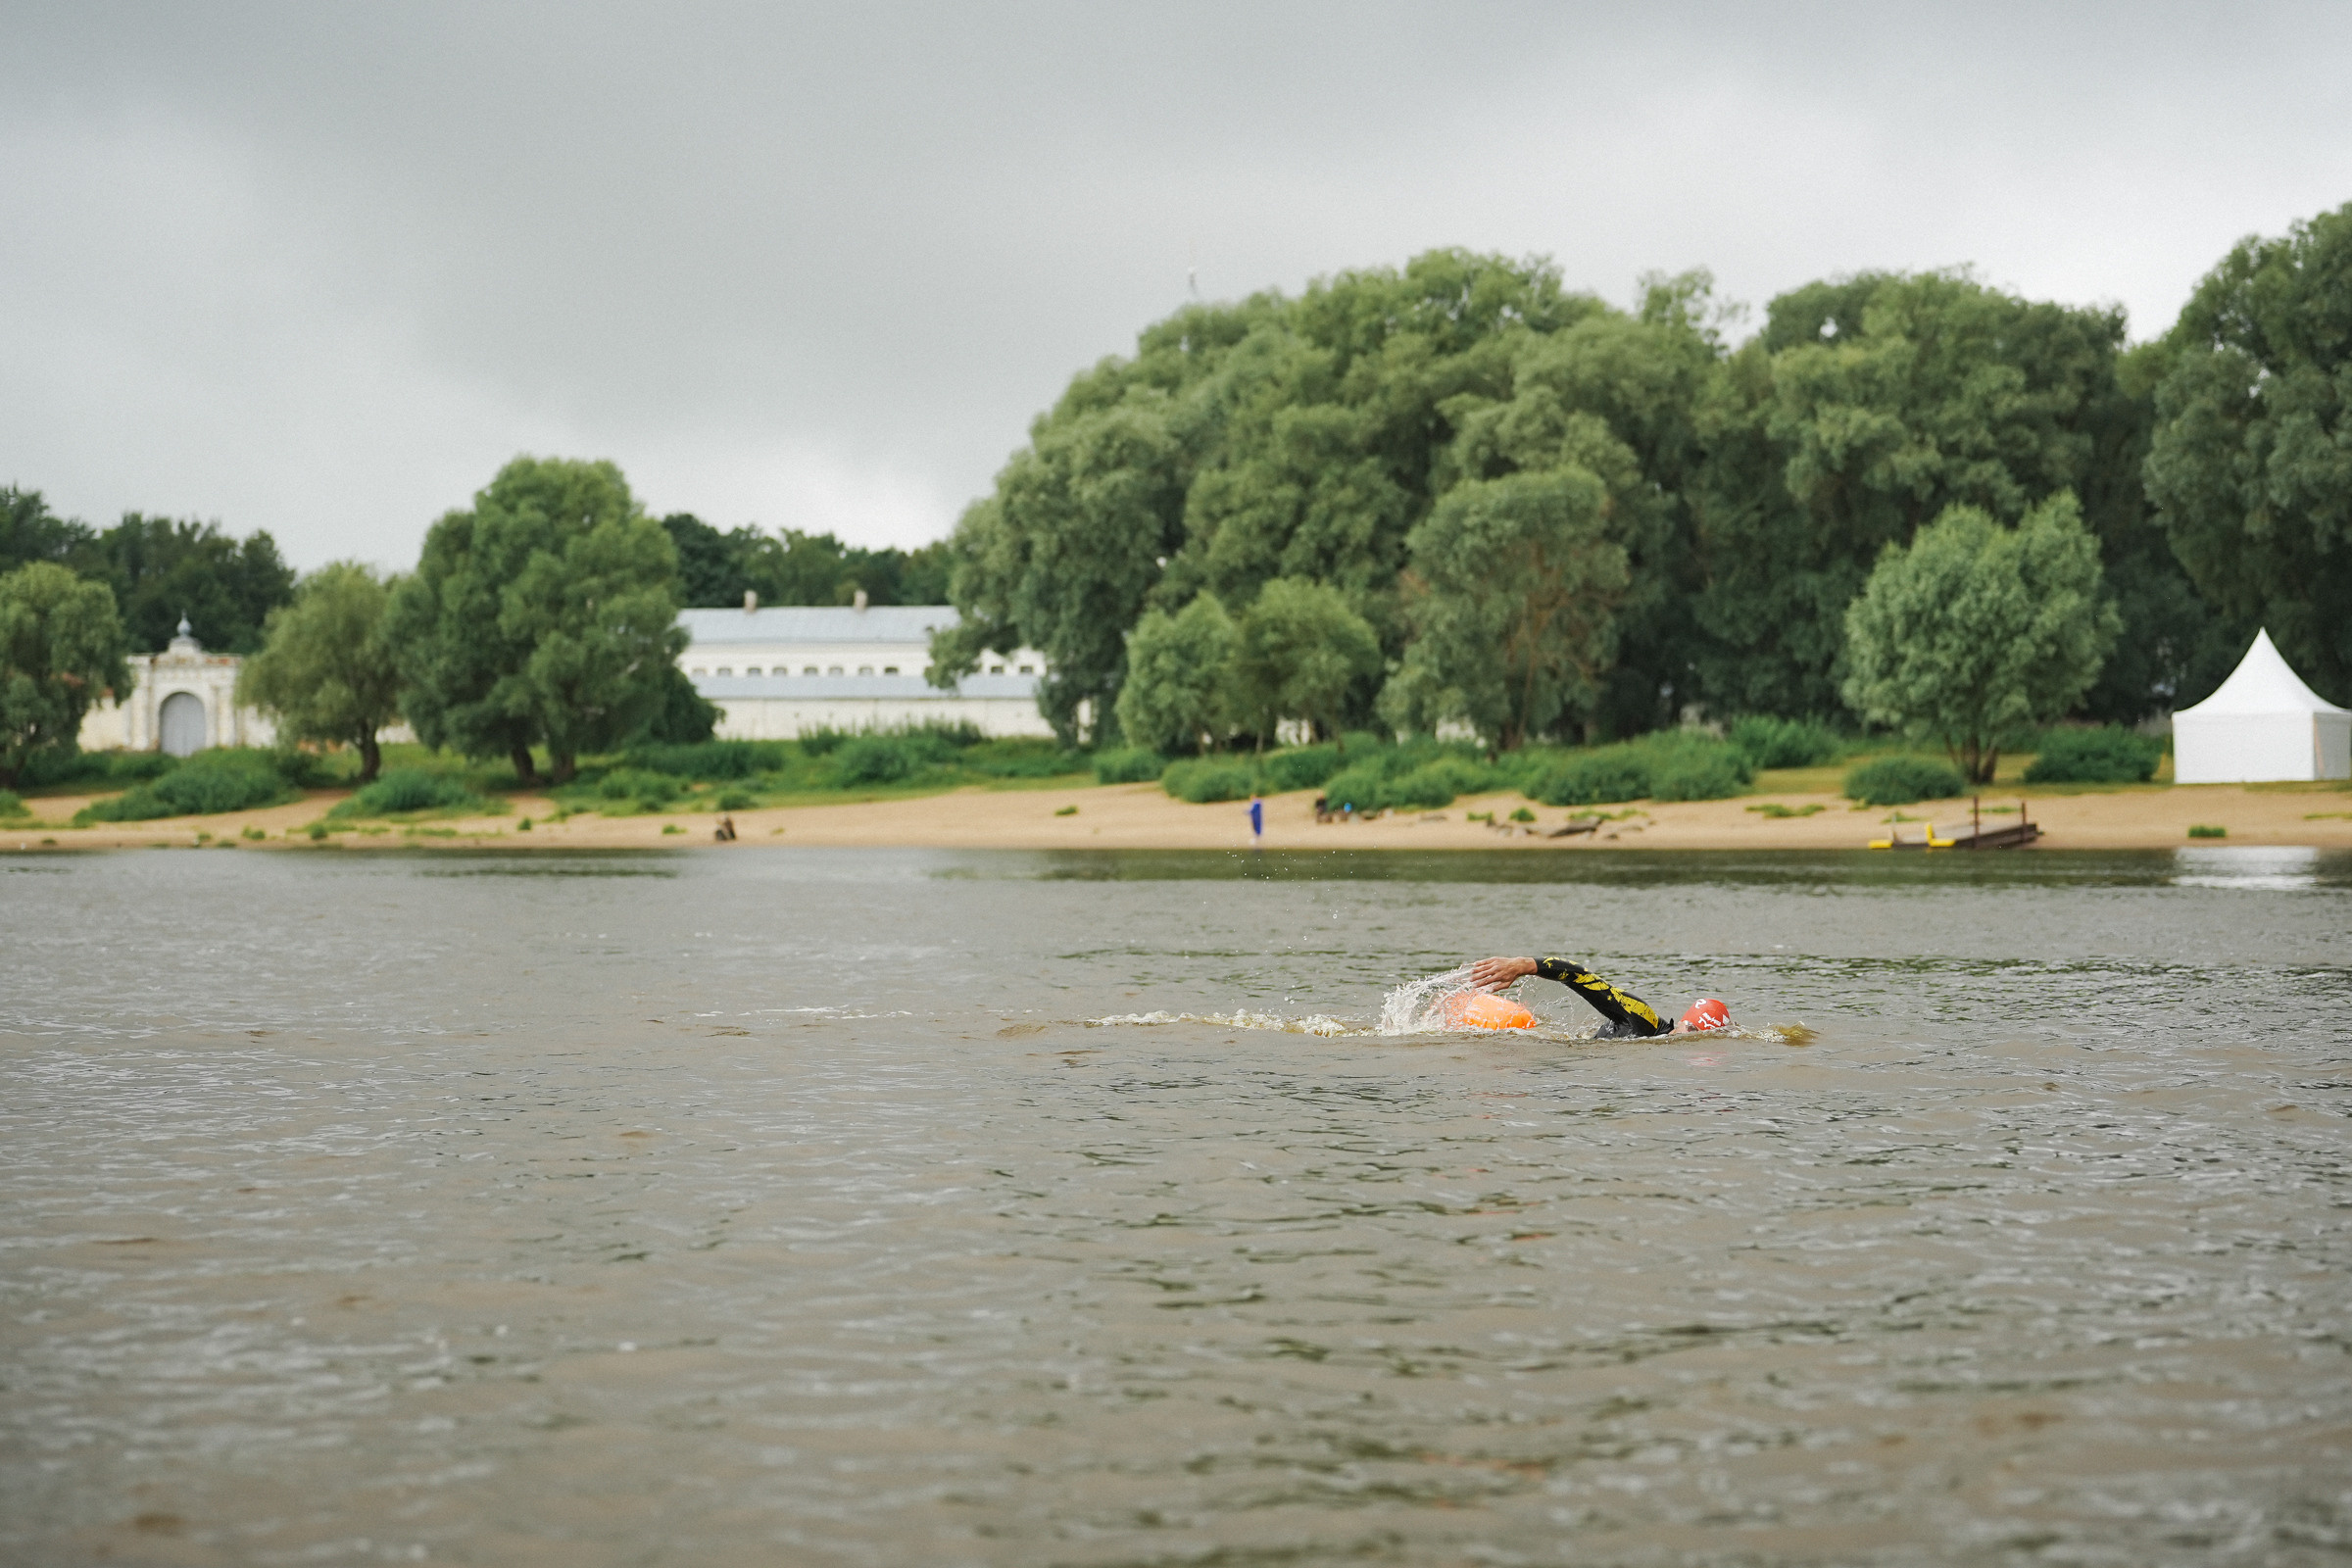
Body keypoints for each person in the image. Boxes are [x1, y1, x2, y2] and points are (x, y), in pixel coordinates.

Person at [1467, 955, 1730, 1037]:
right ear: (1683, 1022)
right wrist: (1524, 965)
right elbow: (1582, 977)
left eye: (1701, 1037)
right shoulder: (1642, 1018)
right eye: (1692, 1030)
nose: (1691, 1039)